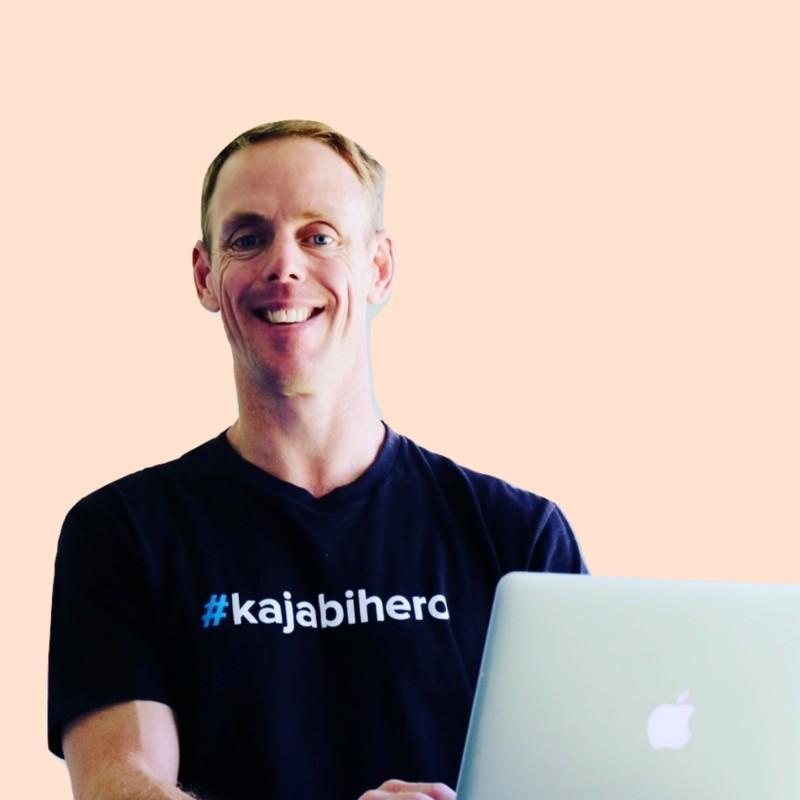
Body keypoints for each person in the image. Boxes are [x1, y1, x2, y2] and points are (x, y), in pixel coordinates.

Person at [48, 120, 588, 800]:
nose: (284, 266)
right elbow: (121, 783)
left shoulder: (518, 538)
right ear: (205, 276)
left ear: (378, 267)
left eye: (320, 236)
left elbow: (577, 776)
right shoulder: (122, 533)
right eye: (248, 238)